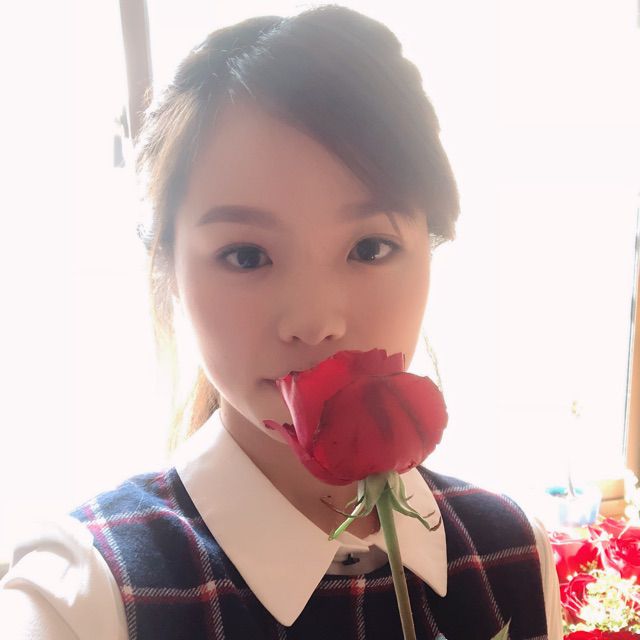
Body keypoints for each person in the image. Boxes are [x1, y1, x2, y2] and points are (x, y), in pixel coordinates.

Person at [0, 5, 563, 638]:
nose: (315, 323)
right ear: (169, 269)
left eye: (369, 248)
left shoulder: (512, 552)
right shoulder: (86, 596)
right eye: (246, 255)